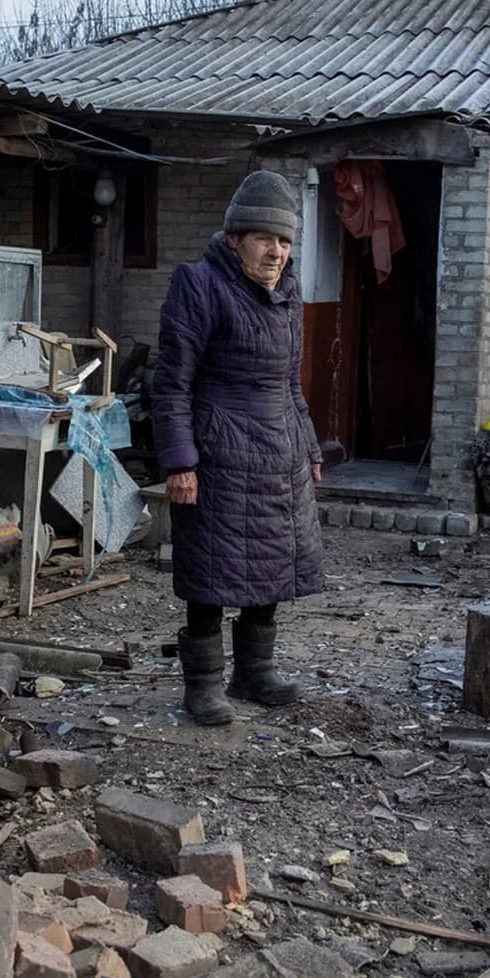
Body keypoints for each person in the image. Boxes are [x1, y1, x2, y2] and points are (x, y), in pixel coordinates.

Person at [151, 170, 324, 726]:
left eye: (284, 241)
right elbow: (172, 382)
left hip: (279, 451)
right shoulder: (198, 283)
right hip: (219, 450)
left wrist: (311, 446)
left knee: (270, 561)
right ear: (234, 239)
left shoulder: (290, 292)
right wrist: (179, 460)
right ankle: (202, 685)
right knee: (211, 567)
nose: (275, 251)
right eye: (263, 239)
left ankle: (254, 671)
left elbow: (291, 382)